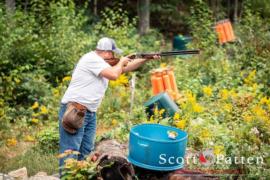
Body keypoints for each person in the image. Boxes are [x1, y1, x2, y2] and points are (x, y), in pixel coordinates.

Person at [58, 37, 159, 176]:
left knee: (86, 151)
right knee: (70, 152)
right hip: (75, 111)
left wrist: (147, 58)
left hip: (89, 113)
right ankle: (65, 178)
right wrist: (122, 61)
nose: (114, 56)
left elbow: (126, 67)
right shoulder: (91, 59)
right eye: (112, 53)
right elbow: (114, 74)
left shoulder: (102, 63)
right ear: (106, 52)